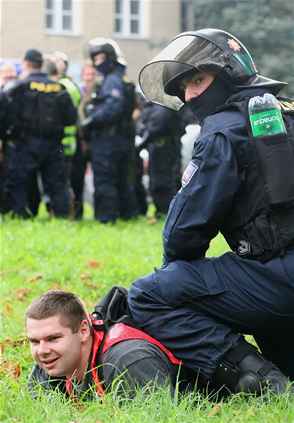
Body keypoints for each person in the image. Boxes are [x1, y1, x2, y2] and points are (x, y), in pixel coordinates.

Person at [127, 28, 294, 395]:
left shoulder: (223, 130)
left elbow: (184, 232)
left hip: (281, 279)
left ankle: (257, 377)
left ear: (228, 72)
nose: (189, 96)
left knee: (148, 295)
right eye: (183, 89)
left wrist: (180, 274)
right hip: (278, 277)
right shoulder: (286, 109)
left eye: (197, 80)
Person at [26, 289, 183, 400]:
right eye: (34, 341)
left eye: (53, 338)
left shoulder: (128, 361)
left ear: (83, 331)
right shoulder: (50, 359)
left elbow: (162, 416)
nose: (42, 351)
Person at [3, 49, 77, 218]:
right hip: (53, 144)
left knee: (20, 182)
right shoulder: (59, 88)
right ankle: (61, 217)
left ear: (26, 63)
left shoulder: (18, 87)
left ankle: (20, 214)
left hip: (24, 143)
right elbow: (71, 118)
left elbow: (6, 115)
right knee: (57, 184)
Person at [82, 38, 138, 223]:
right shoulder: (120, 77)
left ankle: (107, 218)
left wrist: (90, 120)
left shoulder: (113, 79)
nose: (97, 63)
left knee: (105, 179)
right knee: (123, 179)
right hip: (120, 139)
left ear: (110, 58)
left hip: (108, 140)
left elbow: (113, 108)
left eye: (100, 58)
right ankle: (127, 215)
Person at [136, 101, 182, 217]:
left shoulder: (164, 105)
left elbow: (159, 123)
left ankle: (168, 211)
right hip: (157, 146)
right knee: (157, 181)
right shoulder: (154, 105)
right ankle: (162, 210)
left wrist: (144, 139)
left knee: (164, 181)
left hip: (165, 147)